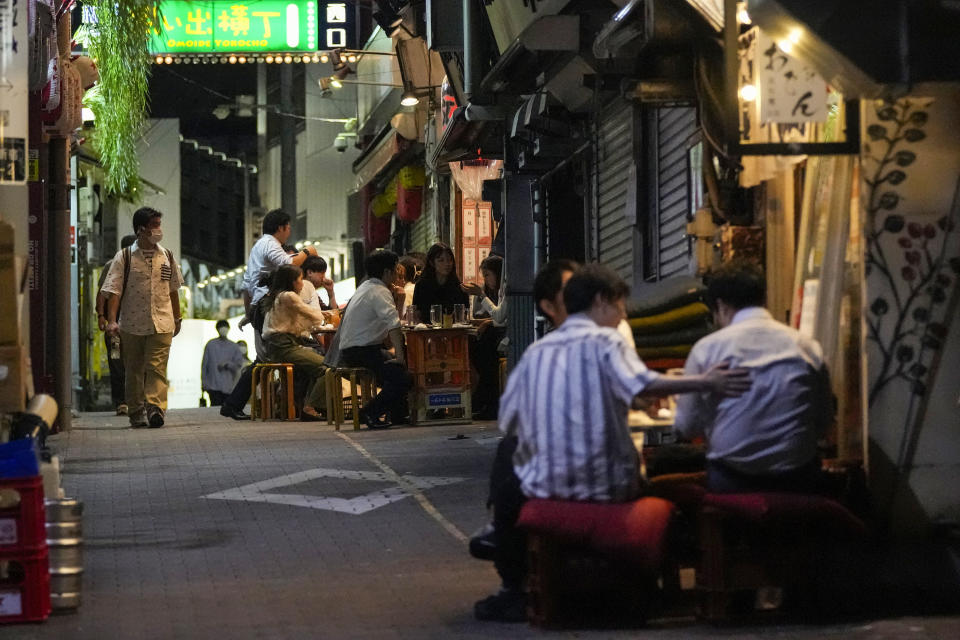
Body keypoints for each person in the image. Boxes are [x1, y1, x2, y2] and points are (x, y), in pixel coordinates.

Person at [474, 264, 751, 622]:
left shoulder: (534, 354)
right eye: (619, 306)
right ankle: (650, 591)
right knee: (668, 479)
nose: (623, 315)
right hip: (606, 489)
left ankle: (524, 583)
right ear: (601, 301)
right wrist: (706, 382)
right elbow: (643, 384)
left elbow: (508, 421)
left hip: (543, 488)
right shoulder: (607, 340)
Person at [674, 260, 832, 494]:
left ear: (721, 306)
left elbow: (686, 428)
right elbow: (823, 423)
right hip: (798, 480)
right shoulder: (807, 347)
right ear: (763, 299)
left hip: (732, 481)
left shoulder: (707, 350)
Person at [220, 209, 318, 421]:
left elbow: (247, 285)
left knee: (263, 360)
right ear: (281, 227)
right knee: (264, 361)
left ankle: (240, 404)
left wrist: (250, 313)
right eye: (288, 227)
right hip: (267, 307)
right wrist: (308, 252)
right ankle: (236, 404)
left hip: (260, 306)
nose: (289, 231)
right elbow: (288, 264)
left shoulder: (260, 246)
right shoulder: (270, 244)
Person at [103, 207, 183, 428]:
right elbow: (114, 291)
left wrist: (178, 318)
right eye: (154, 225)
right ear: (141, 230)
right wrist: (111, 320)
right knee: (134, 370)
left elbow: (173, 289)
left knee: (156, 367)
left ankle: (155, 407)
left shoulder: (167, 256)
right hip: (132, 324)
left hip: (162, 321)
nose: (158, 230)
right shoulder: (125, 257)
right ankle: (137, 411)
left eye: (159, 224)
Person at [337, 250, 412, 429]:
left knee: (400, 370)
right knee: (404, 376)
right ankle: (369, 413)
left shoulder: (366, 287)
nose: (397, 275)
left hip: (357, 350)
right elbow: (394, 326)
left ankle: (398, 415)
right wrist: (400, 358)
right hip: (361, 352)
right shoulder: (379, 291)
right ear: (387, 272)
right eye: (395, 271)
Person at [260, 264, 330, 421]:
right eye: (300, 280)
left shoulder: (278, 296)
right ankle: (310, 407)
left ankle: (309, 406)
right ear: (291, 282)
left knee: (315, 365)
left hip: (277, 345)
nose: (302, 283)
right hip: (283, 346)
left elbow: (301, 322)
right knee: (327, 367)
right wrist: (322, 315)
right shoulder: (288, 297)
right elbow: (315, 316)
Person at [96, 234, 137, 415]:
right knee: (117, 362)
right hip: (116, 323)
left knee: (135, 363)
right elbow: (102, 293)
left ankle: (134, 401)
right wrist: (102, 316)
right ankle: (121, 402)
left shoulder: (142, 265)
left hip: (136, 321)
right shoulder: (111, 265)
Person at [461, 255, 506, 420]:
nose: (485, 280)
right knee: (476, 345)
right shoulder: (495, 291)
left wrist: (481, 295)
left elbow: (500, 317)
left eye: (487, 275)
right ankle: (484, 399)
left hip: (506, 336)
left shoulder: (505, 289)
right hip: (498, 333)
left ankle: (486, 401)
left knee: (484, 348)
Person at [412, 243, 468, 322]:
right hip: (428, 332)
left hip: (454, 332)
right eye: (441, 260)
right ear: (432, 263)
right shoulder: (422, 286)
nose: (447, 264)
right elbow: (417, 314)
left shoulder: (459, 287)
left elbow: (464, 315)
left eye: (450, 260)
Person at [201, 320, 246, 407]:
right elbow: (204, 366)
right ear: (217, 329)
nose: (223, 329)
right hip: (213, 385)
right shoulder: (210, 345)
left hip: (228, 385)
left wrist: (228, 364)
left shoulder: (234, 346)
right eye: (221, 327)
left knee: (227, 410)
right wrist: (204, 382)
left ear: (228, 329)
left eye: (225, 327)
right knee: (214, 409)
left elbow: (238, 364)